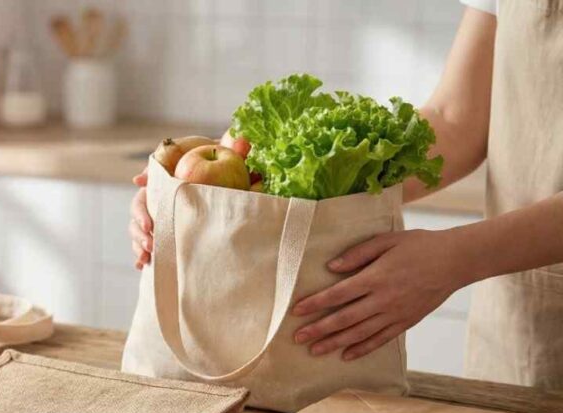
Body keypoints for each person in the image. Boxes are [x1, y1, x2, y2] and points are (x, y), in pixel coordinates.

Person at [128, 1, 563, 389]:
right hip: (516, 332)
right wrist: (231, 187)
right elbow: (456, 119)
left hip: (498, 272)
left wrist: (457, 257)